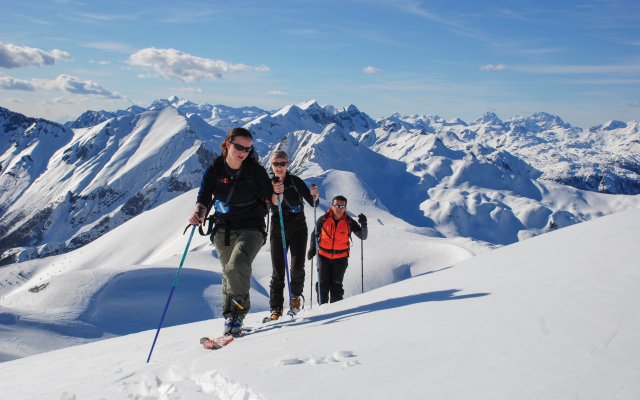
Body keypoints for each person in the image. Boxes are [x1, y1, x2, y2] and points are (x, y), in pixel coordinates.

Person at [189, 127, 275, 336]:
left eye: (248, 148)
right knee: (228, 272)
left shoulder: (255, 170)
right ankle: (230, 318)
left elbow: (272, 198)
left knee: (236, 267)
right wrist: (198, 213)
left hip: (252, 227)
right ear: (228, 144)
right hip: (223, 229)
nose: (243, 152)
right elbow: (204, 196)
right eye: (239, 147)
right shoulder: (215, 170)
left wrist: (277, 193)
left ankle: (237, 315)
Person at [267, 150, 319, 321]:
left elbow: (312, 203)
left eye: (283, 163)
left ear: (288, 165)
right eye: (276, 163)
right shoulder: (268, 184)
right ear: (271, 165)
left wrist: (315, 197)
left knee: (297, 267)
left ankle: (295, 297)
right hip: (278, 229)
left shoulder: (295, 182)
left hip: (298, 229)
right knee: (278, 271)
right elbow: (264, 205)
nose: (280, 167)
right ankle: (276, 308)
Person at [307, 195, 367, 304]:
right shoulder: (323, 219)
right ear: (332, 206)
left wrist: (364, 224)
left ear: (345, 208)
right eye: (336, 205)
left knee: (336, 285)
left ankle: (336, 309)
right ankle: (322, 309)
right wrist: (312, 247)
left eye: (341, 206)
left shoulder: (349, 222)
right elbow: (314, 234)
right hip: (323, 256)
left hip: (341, 258)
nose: (339, 208)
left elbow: (363, 236)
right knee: (322, 285)